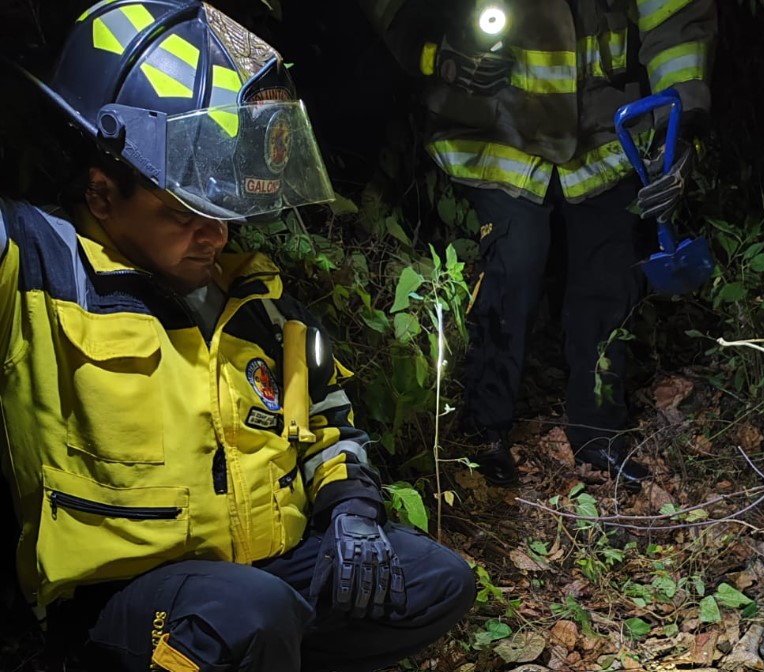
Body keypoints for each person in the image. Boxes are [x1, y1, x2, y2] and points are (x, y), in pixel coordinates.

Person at [0, 1, 476, 670]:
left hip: (260, 577)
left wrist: (351, 510)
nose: (217, 234)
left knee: (434, 580)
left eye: (223, 209)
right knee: (247, 611)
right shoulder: (36, 269)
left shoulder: (261, 302)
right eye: (185, 212)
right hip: (128, 606)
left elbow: (330, 430)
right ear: (103, 194)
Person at [356, 0, 718, 487]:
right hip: (494, 132)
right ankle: (483, 433)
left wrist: (683, 130)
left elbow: (675, 18)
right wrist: (436, 55)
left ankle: (598, 435)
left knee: (609, 277)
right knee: (512, 269)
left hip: (603, 132)